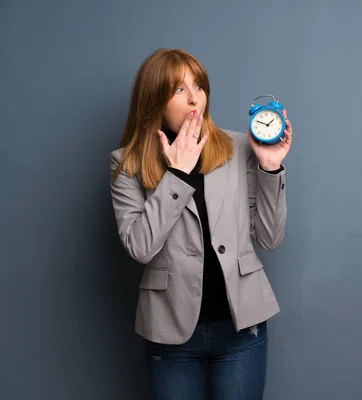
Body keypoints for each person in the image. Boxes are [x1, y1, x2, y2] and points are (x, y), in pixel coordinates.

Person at [109, 48, 292, 400]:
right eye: (179, 89)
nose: (195, 98)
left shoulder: (239, 147)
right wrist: (177, 174)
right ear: (154, 101)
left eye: (199, 86)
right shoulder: (127, 163)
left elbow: (269, 239)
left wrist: (270, 168)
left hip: (241, 330)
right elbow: (140, 247)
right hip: (170, 331)